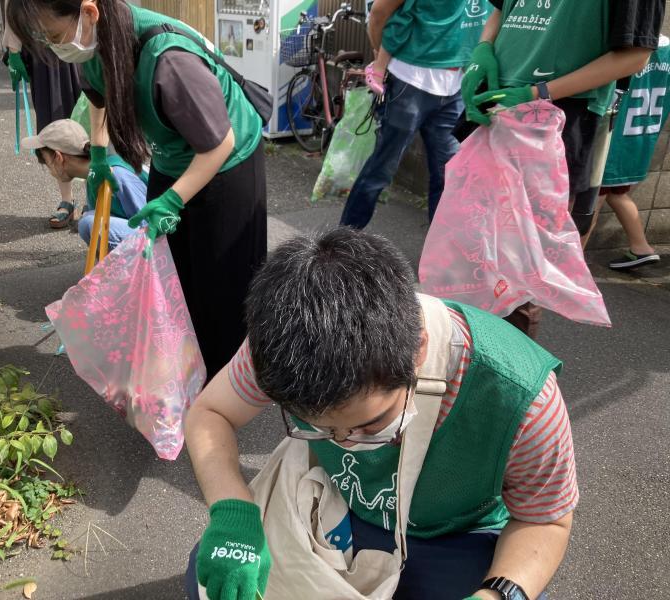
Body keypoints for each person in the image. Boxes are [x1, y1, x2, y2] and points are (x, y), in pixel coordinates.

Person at [185, 227, 578, 600]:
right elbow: (210, 412)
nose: (345, 444)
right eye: (319, 428)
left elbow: (544, 520)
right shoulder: (285, 343)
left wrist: (497, 593)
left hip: (456, 536)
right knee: (219, 577)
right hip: (341, 505)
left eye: (370, 425)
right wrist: (233, 511)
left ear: (418, 350)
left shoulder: (521, 395)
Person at [7, 0, 267, 379]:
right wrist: (97, 154)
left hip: (228, 161)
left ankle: (225, 389)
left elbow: (219, 143)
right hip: (174, 154)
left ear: (89, 12)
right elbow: (98, 98)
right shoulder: (94, 43)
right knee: (176, 274)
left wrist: (174, 199)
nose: (53, 48)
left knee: (222, 285)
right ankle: (185, 371)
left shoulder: (168, 59)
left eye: (54, 37)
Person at [460, 0, 665, 337]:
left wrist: (538, 91)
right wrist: (483, 49)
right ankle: (466, 363)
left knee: (519, 273)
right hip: (494, 102)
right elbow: (500, 9)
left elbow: (635, 53)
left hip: (556, 119)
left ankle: (506, 379)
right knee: (474, 254)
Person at [339, 0, 487, 226]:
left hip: (457, 83)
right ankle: (344, 245)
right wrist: (379, 57)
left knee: (448, 176)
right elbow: (379, 12)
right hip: (409, 81)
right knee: (381, 170)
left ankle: (438, 256)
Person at [4, 8, 82, 229]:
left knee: (88, 121)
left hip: (78, 43)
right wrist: (14, 52)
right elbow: (15, 8)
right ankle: (67, 200)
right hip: (42, 52)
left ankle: (97, 200)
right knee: (53, 124)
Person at [598, 37, 670, 271]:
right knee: (616, 193)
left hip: (613, 138)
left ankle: (569, 264)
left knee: (590, 202)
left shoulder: (627, 47)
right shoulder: (667, 51)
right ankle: (641, 247)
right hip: (641, 138)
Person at [21, 119, 147, 251]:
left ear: (59, 158)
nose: (50, 172)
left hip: (160, 245)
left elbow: (150, 224)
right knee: (89, 218)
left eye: (47, 162)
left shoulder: (116, 174)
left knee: (89, 223)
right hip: (143, 239)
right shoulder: (93, 175)